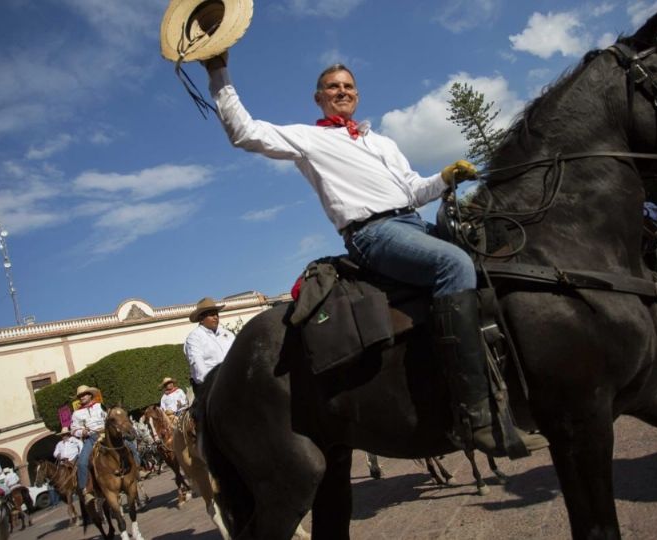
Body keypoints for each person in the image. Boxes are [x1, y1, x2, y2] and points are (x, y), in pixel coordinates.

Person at [202, 55, 531, 455]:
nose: (342, 91)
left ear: (356, 95)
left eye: (348, 86)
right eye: (333, 87)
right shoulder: (310, 138)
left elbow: (412, 190)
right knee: (453, 264)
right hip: (372, 233)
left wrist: (444, 178)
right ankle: (476, 412)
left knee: (488, 257)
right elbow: (245, 132)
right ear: (319, 98)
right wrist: (219, 73)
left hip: (412, 222)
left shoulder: (382, 142)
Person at [71, 385, 139, 502]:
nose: (82, 397)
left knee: (131, 447)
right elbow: (73, 429)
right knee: (82, 462)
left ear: (90, 395)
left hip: (107, 434)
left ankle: (139, 470)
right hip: (92, 437)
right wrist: (82, 431)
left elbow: (111, 418)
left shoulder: (100, 406)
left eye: (84, 394)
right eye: (80, 396)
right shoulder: (76, 414)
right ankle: (85, 489)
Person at [184, 297, 236, 386]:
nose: (216, 317)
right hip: (209, 387)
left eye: (216, 314)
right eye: (211, 315)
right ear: (201, 318)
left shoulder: (228, 334)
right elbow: (198, 366)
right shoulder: (194, 338)